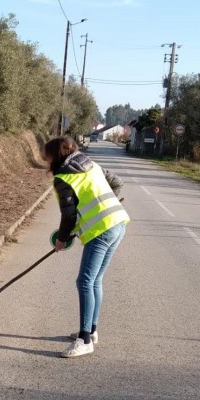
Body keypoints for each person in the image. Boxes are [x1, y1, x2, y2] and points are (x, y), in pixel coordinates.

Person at [44, 137, 129, 358]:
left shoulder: (63, 178)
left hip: (102, 230)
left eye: (48, 156)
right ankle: (92, 331)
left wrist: (61, 240)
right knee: (95, 280)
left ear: (56, 156)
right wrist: (110, 204)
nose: (46, 160)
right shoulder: (91, 164)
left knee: (84, 281)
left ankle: (84, 340)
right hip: (118, 223)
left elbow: (69, 214)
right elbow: (117, 182)